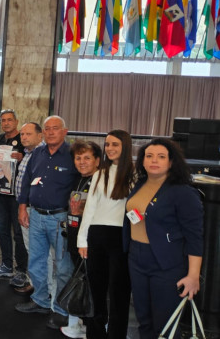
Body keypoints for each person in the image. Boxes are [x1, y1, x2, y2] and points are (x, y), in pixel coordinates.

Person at [124, 138, 203, 339]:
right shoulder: (140, 184)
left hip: (166, 263)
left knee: (165, 324)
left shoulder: (183, 192)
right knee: (143, 319)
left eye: (161, 156)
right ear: (142, 161)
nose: (154, 160)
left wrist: (193, 275)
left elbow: (195, 237)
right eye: (149, 156)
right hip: (136, 258)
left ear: (171, 161)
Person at [16, 116, 78, 332]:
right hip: (35, 215)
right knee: (36, 262)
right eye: (47, 129)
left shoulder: (72, 155)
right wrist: (22, 207)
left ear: (65, 131)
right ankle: (41, 300)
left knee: (63, 267)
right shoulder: (37, 154)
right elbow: (26, 182)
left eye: (55, 128)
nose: (51, 132)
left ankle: (61, 310)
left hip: (60, 219)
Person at [76, 130, 134, 339]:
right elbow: (90, 208)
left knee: (119, 293)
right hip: (96, 235)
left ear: (125, 146)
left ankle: (116, 335)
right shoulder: (100, 174)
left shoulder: (135, 174)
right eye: (107, 144)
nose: (109, 148)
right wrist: (82, 240)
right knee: (96, 291)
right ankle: (95, 334)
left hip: (121, 237)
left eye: (115, 144)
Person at [59, 140, 102, 339]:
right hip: (74, 239)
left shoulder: (101, 182)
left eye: (87, 158)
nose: (82, 162)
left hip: (91, 243)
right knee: (79, 281)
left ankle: (94, 327)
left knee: (93, 286)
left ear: (97, 160)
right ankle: (82, 324)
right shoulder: (77, 179)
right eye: (78, 158)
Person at [0, 109, 27, 280]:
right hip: (1, 192)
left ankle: (22, 269)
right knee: (2, 229)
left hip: (18, 195)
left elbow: (31, 161)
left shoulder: (23, 140)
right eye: (3, 120)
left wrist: (22, 157)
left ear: (16, 122)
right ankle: (6, 265)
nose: (6, 123)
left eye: (9, 120)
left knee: (19, 232)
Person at [12, 122, 45, 292]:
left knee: (39, 251)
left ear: (40, 135)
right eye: (22, 134)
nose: (24, 137)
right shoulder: (27, 153)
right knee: (31, 248)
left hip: (36, 209)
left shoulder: (42, 154)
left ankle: (40, 288)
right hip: (25, 207)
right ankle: (34, 284)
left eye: (28, 134)